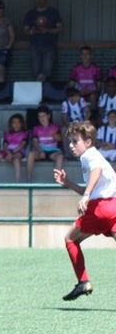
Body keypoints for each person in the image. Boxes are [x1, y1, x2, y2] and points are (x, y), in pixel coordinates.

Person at [54, 121, 116, 301]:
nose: (72, 146)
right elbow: (94, 186)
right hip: (113, 207)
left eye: (75, 141)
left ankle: (83, 282)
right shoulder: (97, 156)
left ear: (88, 142)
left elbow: (95, 173)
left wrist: (87, 195)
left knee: (70, 239)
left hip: (100, 209)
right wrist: (68, 183)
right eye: (70, 142)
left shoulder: (89, 156)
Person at [23, 0, 64, 83]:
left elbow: (60, 28)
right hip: (35, 44)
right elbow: (25, 30)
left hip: (49, 44)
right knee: (35, 70)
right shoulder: (31, 14)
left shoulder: (53, 12)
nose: (39, 0)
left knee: (48, 70)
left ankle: (46, 91)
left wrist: (48, 30)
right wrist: (31, 32)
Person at [0, 113, 29, 183]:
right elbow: (5, 145)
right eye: (14, 123)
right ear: (11, 124)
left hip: (18, 151)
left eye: (18, 122)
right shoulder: (7, 134)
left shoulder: (25, 133)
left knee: (16, 160)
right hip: (7, 151)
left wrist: (12, 153)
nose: (16, 125)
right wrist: (8, 153)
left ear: (21, 123)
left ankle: (18, 183)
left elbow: (22, 145)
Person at [27, 105, 65, 181]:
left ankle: (58, 180)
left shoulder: (55, 127)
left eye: (43, 116)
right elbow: (35, 142)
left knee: (60, 156)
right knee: (31, 154)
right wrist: (40, 150)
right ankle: (29, 179)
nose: (41, 119)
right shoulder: (36, 128)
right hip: (41, 151)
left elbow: (60, 139)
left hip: (53, 151)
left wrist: (53, 135)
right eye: (39, 116)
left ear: (48, 116)